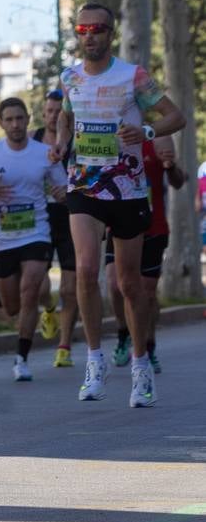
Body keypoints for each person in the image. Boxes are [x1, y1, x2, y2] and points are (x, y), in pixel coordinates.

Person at [51, 3, 185, 406]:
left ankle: (141, 367)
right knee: (87, 271)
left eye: (98, 29)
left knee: (129, 285)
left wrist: (145, 130)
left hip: (127, 190)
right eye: (82, 29)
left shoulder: (134, 77)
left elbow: (174, 116)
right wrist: (60, 143)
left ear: (111, 34)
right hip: (84, 187)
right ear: (77, 34)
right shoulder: (69, 77)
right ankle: (95, 361)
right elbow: (66, 119)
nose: (89, 35)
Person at [0, 98, 67, 381]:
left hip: (37, 232)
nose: (15, 124)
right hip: (3, 238)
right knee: (12, 306)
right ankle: (48, 306)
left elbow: (63, 185)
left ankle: (21, 359)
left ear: (27, 119)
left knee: (30, 290)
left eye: (20, 118)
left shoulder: (44, 152)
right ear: (1, 124)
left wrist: (63, 193)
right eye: (9, 120)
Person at [104, 137, 184, 373]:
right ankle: (123, 334)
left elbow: (178, 182)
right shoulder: (112, 136)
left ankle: (148, 346)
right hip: (118, 226)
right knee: (115, 285)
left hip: (153, 227)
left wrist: (170, 167)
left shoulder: (157, 136)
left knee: (146, 294)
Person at [31, 89, 80, 367]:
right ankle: (48, 308)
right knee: (37, 284)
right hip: (40, 217)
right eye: (48, 111)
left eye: (57, 112)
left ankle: (65, 346)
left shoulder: (78, 140)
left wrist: (70, 190)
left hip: (73, 216)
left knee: (70, 290)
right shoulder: (32, 140)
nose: (52, 117)